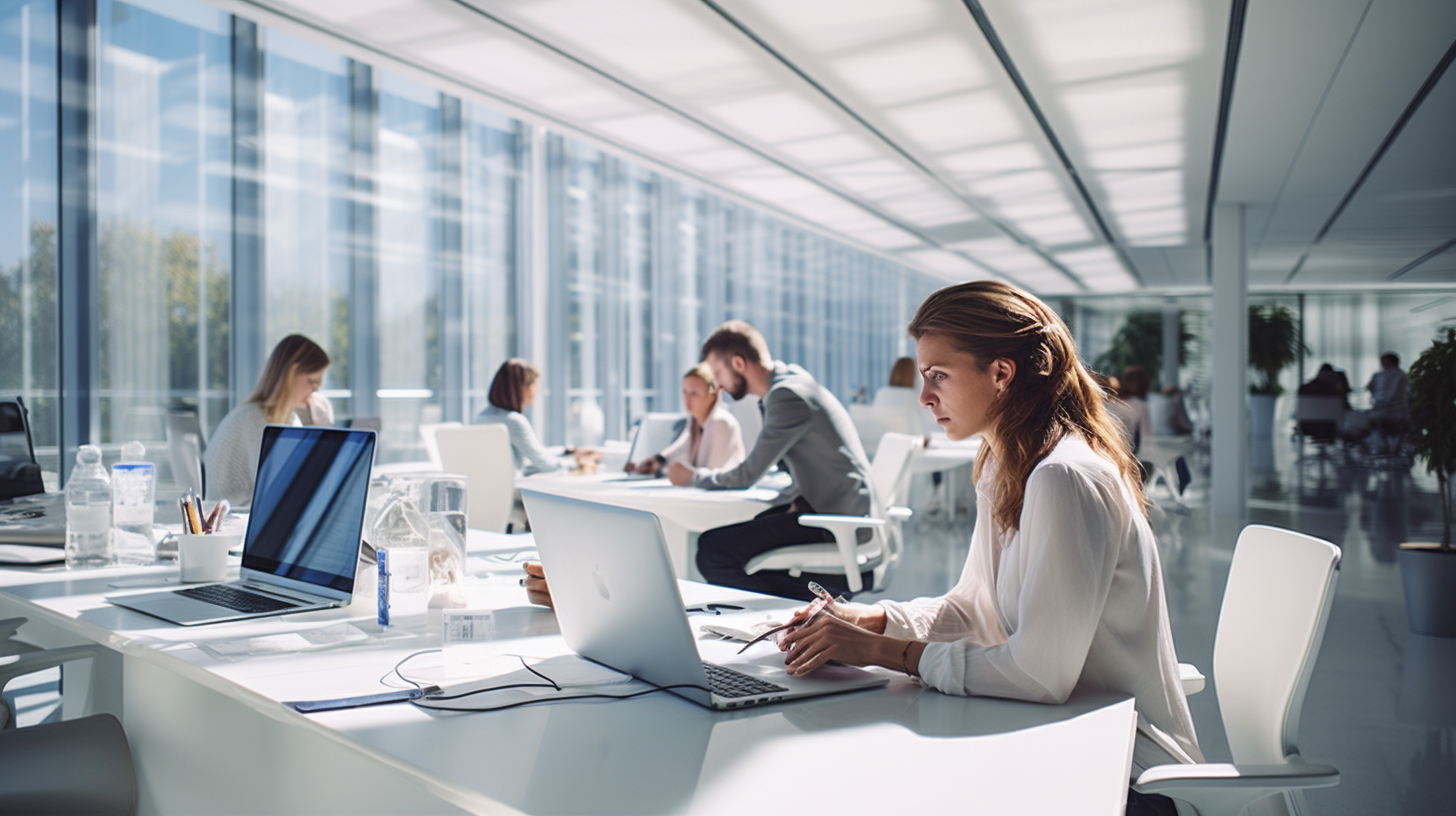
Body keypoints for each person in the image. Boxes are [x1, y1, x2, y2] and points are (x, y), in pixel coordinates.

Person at [774, 281, 1202, 807]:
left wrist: (881, 653)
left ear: (1001, 373)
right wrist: (876, 620)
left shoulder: (1063, 477)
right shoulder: (1006, 465)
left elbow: (1039, 675)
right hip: (1062, 739)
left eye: (939, 376)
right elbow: (973, 607)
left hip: (1123, 776)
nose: (925, 396)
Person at [668, 320, 874, 600]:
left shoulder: (786, 396)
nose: (718, 384)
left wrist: (691, 477)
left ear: (738, 363)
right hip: (828, 507)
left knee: (713, 552)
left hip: (834, 520)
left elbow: (746, 475)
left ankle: (828, 603)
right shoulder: (790, 383)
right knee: (736, 537)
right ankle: (822, 600)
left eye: (717, 372)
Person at [205, 334, 330, 507]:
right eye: (312, 382)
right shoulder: (252, 420)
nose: (314, 392)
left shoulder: (290, 419)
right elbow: (279, 490)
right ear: (290, 373)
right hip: (238, 521)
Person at [476, 359, 595, 476]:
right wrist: (576, 464)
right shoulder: (514, 421)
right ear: (522, 387)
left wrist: (567, 452)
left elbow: (530, 456)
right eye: (534, 384)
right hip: (515, 490)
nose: (536, 390)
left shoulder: (482, 417)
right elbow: (544, 463)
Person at [626, 363, 746, 475]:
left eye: (694, 394)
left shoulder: (721, 423)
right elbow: (681, 448)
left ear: (713, 394)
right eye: (685, 392)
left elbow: (712, 473)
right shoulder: (695, 421)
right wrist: (656, 461)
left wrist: (673, 472)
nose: (687, 400)